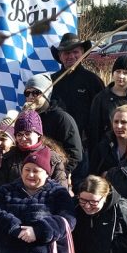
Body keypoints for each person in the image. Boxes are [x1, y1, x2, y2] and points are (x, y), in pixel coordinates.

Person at [49, 32, 105, 168]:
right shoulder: (51, 81)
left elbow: (102, 114)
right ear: (60, 56)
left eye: (75, 52)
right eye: (66, 53)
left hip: (84, 147)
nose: (71, 56)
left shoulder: (93, 81)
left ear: (83, 53)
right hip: (55, 146)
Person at [0, 108, 70, 200]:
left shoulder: (53, 158)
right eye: (19, 134)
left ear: (38, 134)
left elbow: (62, 194)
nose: (23, 138)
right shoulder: (9, 157)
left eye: (27, 133)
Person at [21, 74, 84, 185]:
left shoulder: (61, 118)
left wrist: (60, 174)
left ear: (46, 94)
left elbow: (75, 154)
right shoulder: (23, 117)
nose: (31, 96)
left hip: (54, 179)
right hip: (28, 176)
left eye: (36, 92)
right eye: (27, 93)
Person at [89, 55, 127, 161]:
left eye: (126, 73)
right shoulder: (101, 98)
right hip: (107, 152)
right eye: (118, 71)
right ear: (113, 73)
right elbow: (94, 131)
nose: (121, 76)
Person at [92, 105, 127, 179]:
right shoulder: (103, 146)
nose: (118, 126)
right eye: (116, 122)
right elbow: (93, 174)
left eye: (124, 122)